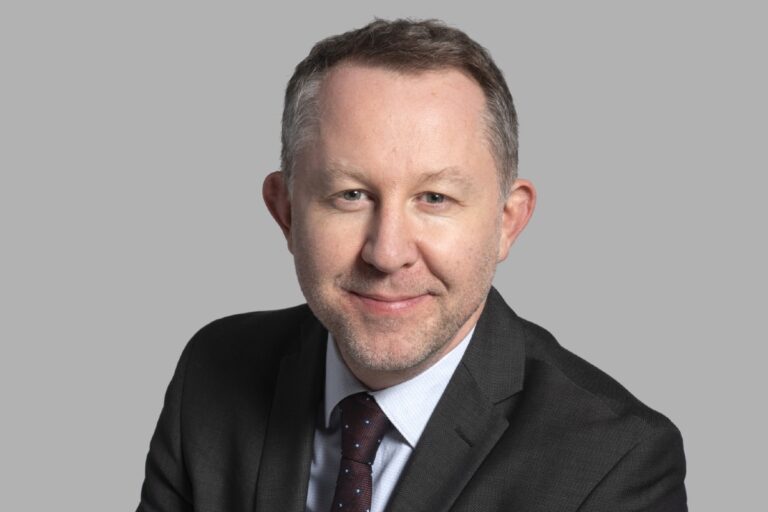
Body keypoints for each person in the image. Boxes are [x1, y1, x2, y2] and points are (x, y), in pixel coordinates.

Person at [137, 19, 687, 512]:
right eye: (351, 195)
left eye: (435, 198)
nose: (387, 252)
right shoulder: (213, 372)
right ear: (285, 212)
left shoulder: (615, 461)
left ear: (507, 222)